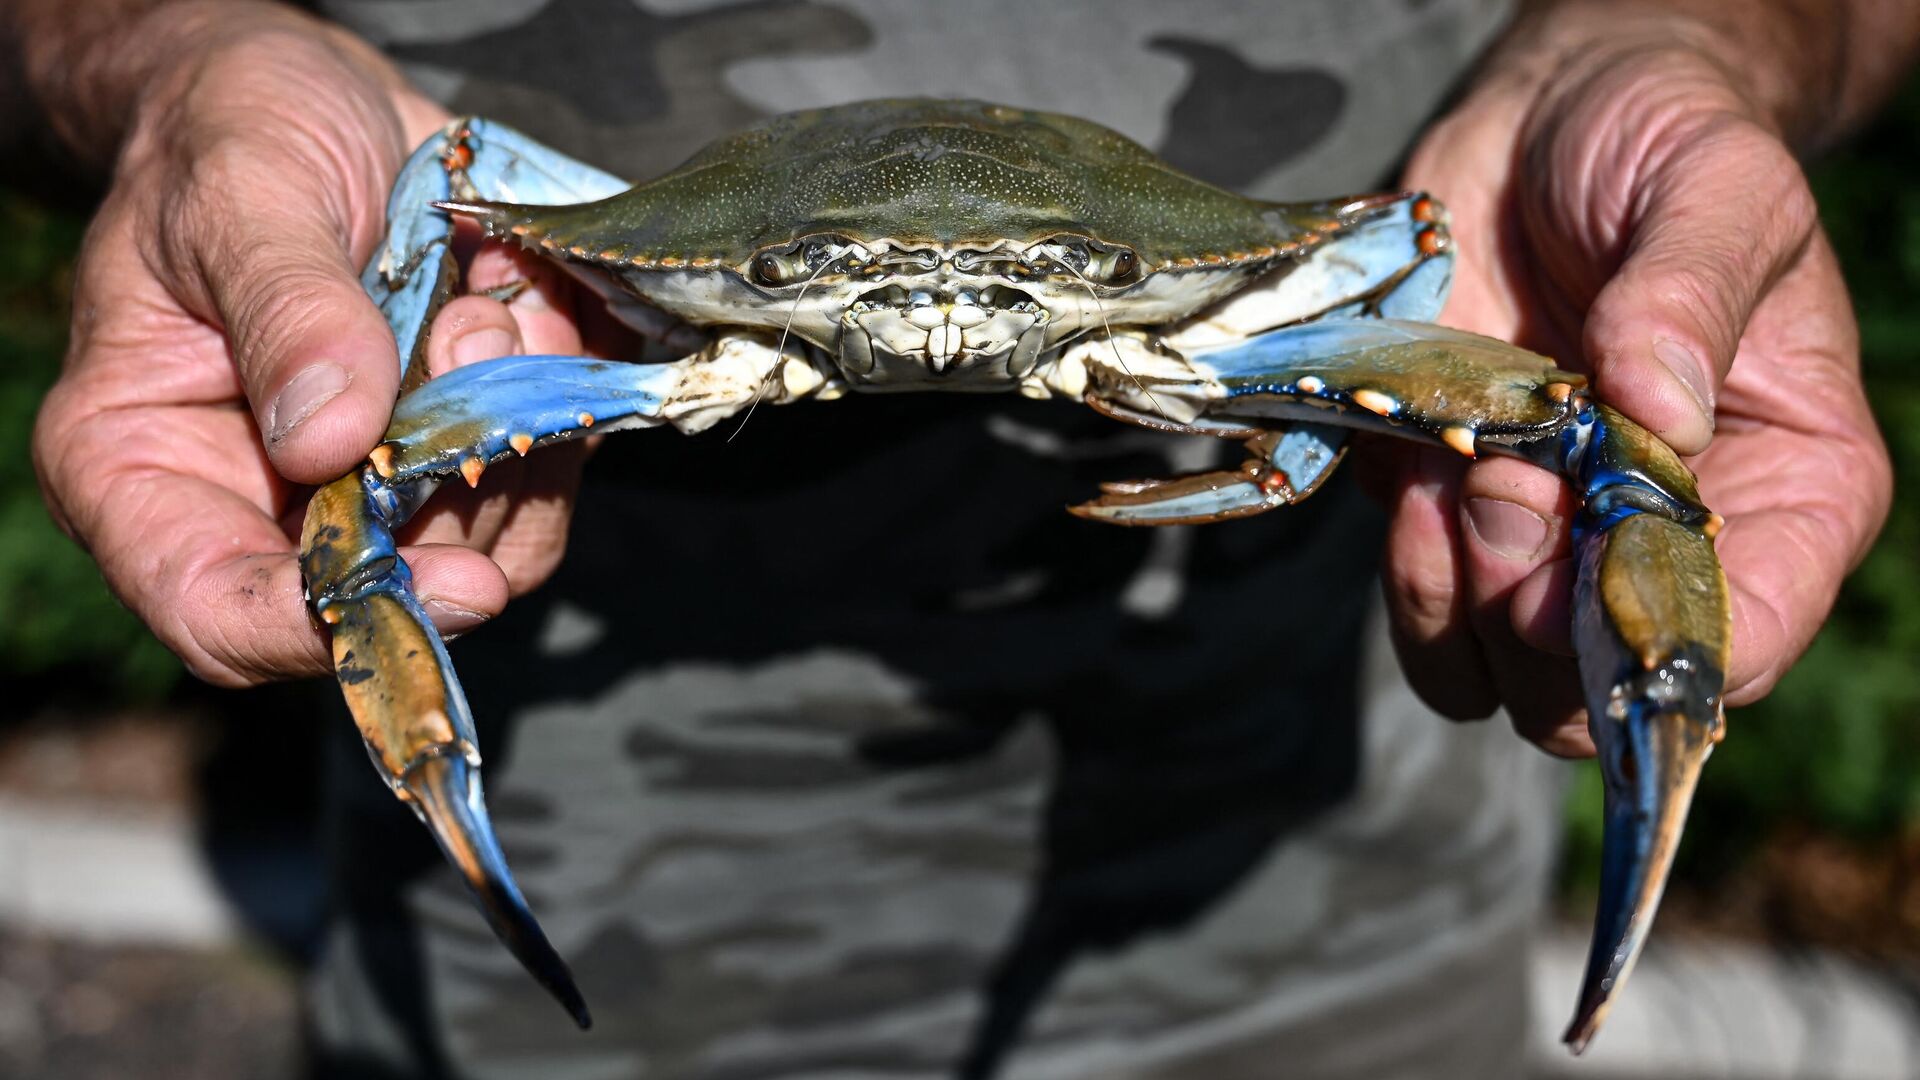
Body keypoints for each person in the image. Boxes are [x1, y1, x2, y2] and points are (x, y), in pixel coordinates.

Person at [9, 0, 1905, 1076]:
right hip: (524, 1012)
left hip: (1334, 965)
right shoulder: (572, 270)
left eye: (1027, 294)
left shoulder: (1315, 267)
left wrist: (1699, 38)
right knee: (357, 498)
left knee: (1598, 435)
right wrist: (169, 64)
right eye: (847, 289)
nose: (939, 320)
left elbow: (1418, 248)